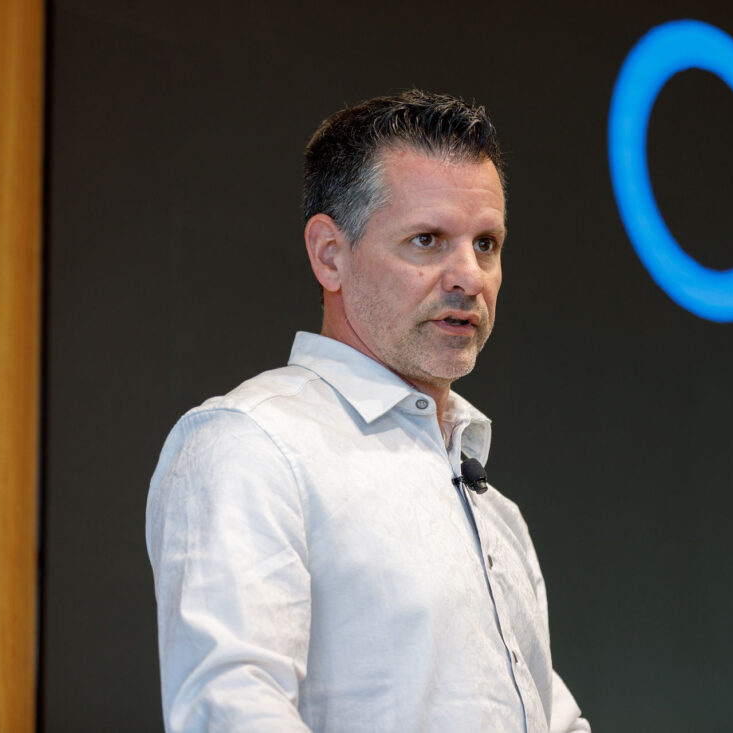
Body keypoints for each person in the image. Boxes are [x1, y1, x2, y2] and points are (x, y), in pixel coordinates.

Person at [146, 90, 590, 733]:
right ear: (330, 253)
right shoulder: (251, 444)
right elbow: (232, 714)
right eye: (428, 240)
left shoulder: (496, 514)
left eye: (487, 244)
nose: (469, 275)